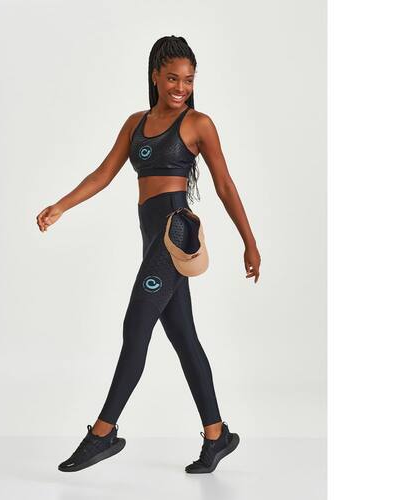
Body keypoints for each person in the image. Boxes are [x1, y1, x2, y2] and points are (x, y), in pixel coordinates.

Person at [36, 35, 261, 474]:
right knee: (183, 337)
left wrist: (249, 242)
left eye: (189, 80)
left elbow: (225, 185)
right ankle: (216, 435)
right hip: (150, 237)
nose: (181, 87)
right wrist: (61, 206)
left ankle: (103, 433)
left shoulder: (198, 123)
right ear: (156, 76)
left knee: (137, 323)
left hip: (173, 235)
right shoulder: (135, 123)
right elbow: (103, 174)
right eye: (173, 78)